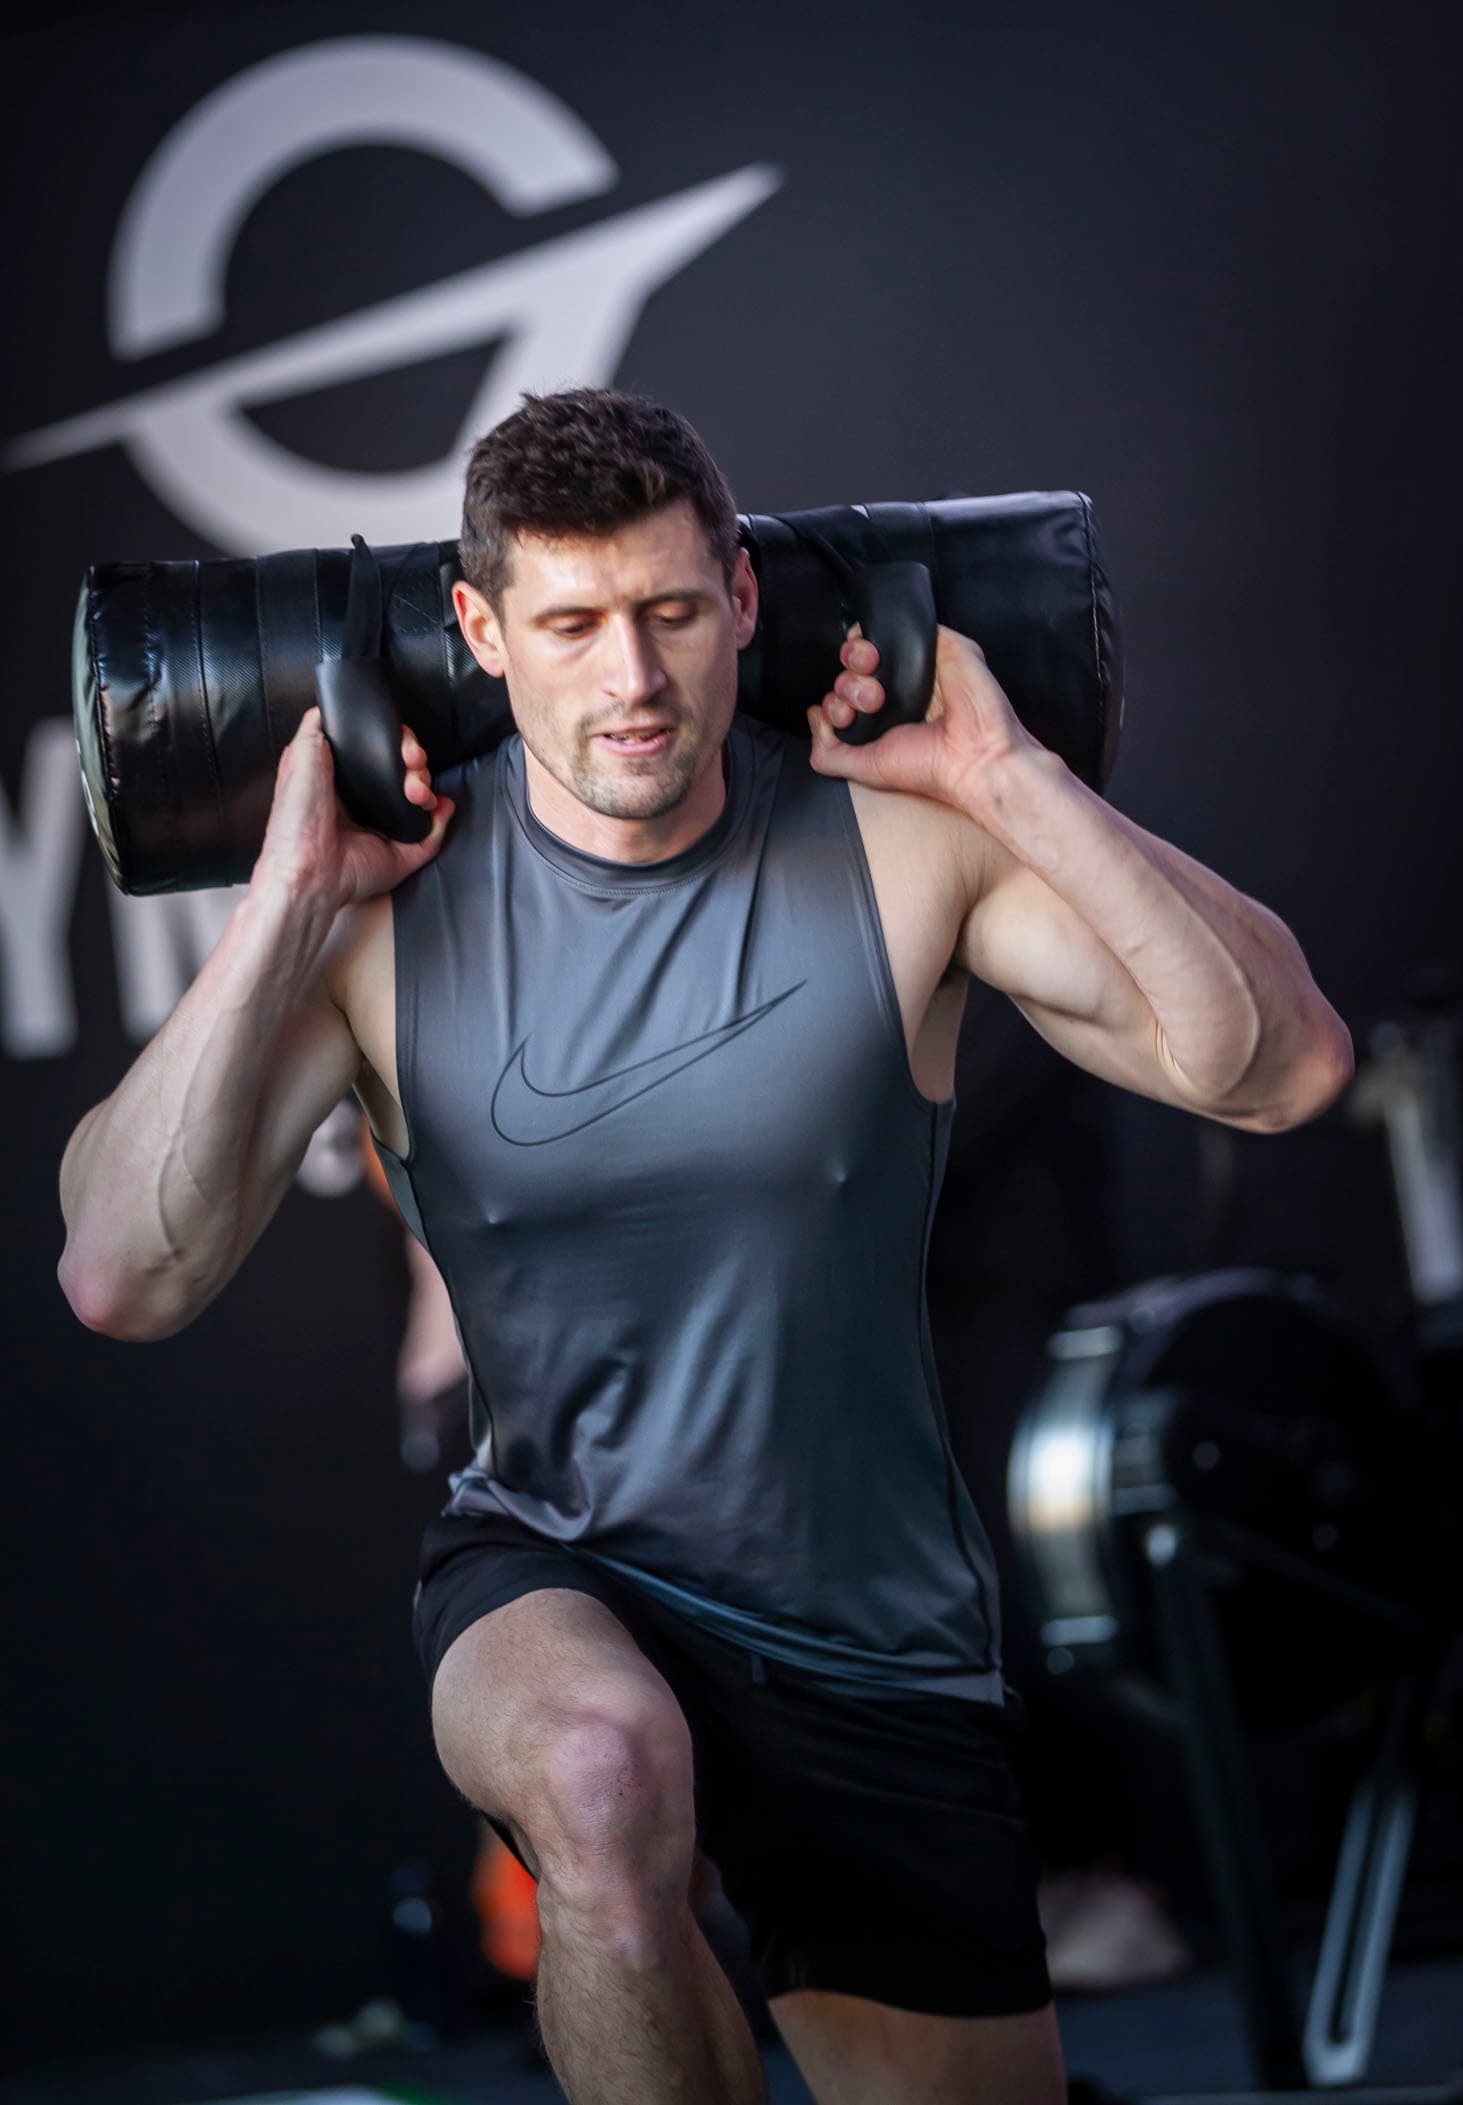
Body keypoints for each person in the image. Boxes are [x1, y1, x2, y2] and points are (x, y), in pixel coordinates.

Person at [58, 387, 1353, 2105]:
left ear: (741, 599)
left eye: (671, 612)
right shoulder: (382, 920)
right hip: (558, 1563)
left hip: (868, 1627)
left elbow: (1280, 1067)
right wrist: (284, 908)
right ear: (480, 631)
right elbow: (119, 1274)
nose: (634, 679)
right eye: (575, 626)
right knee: (598, 1778)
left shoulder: (901, 846)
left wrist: (1008, 779)